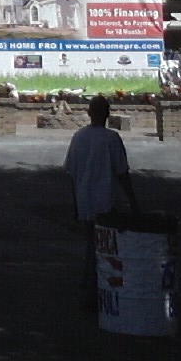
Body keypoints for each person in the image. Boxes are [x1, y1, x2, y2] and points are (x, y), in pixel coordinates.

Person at [64, 95, 139, 311]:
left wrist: (75, 202)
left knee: (91, 247)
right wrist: (133, 202)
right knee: (107, 249)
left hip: (85, 200)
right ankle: (100, 292)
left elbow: (71, 172)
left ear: (89, 113)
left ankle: (90, 289)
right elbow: (122, 172)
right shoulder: (111, 139)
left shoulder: (78, 137)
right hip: (106, 201)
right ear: (107, 113)